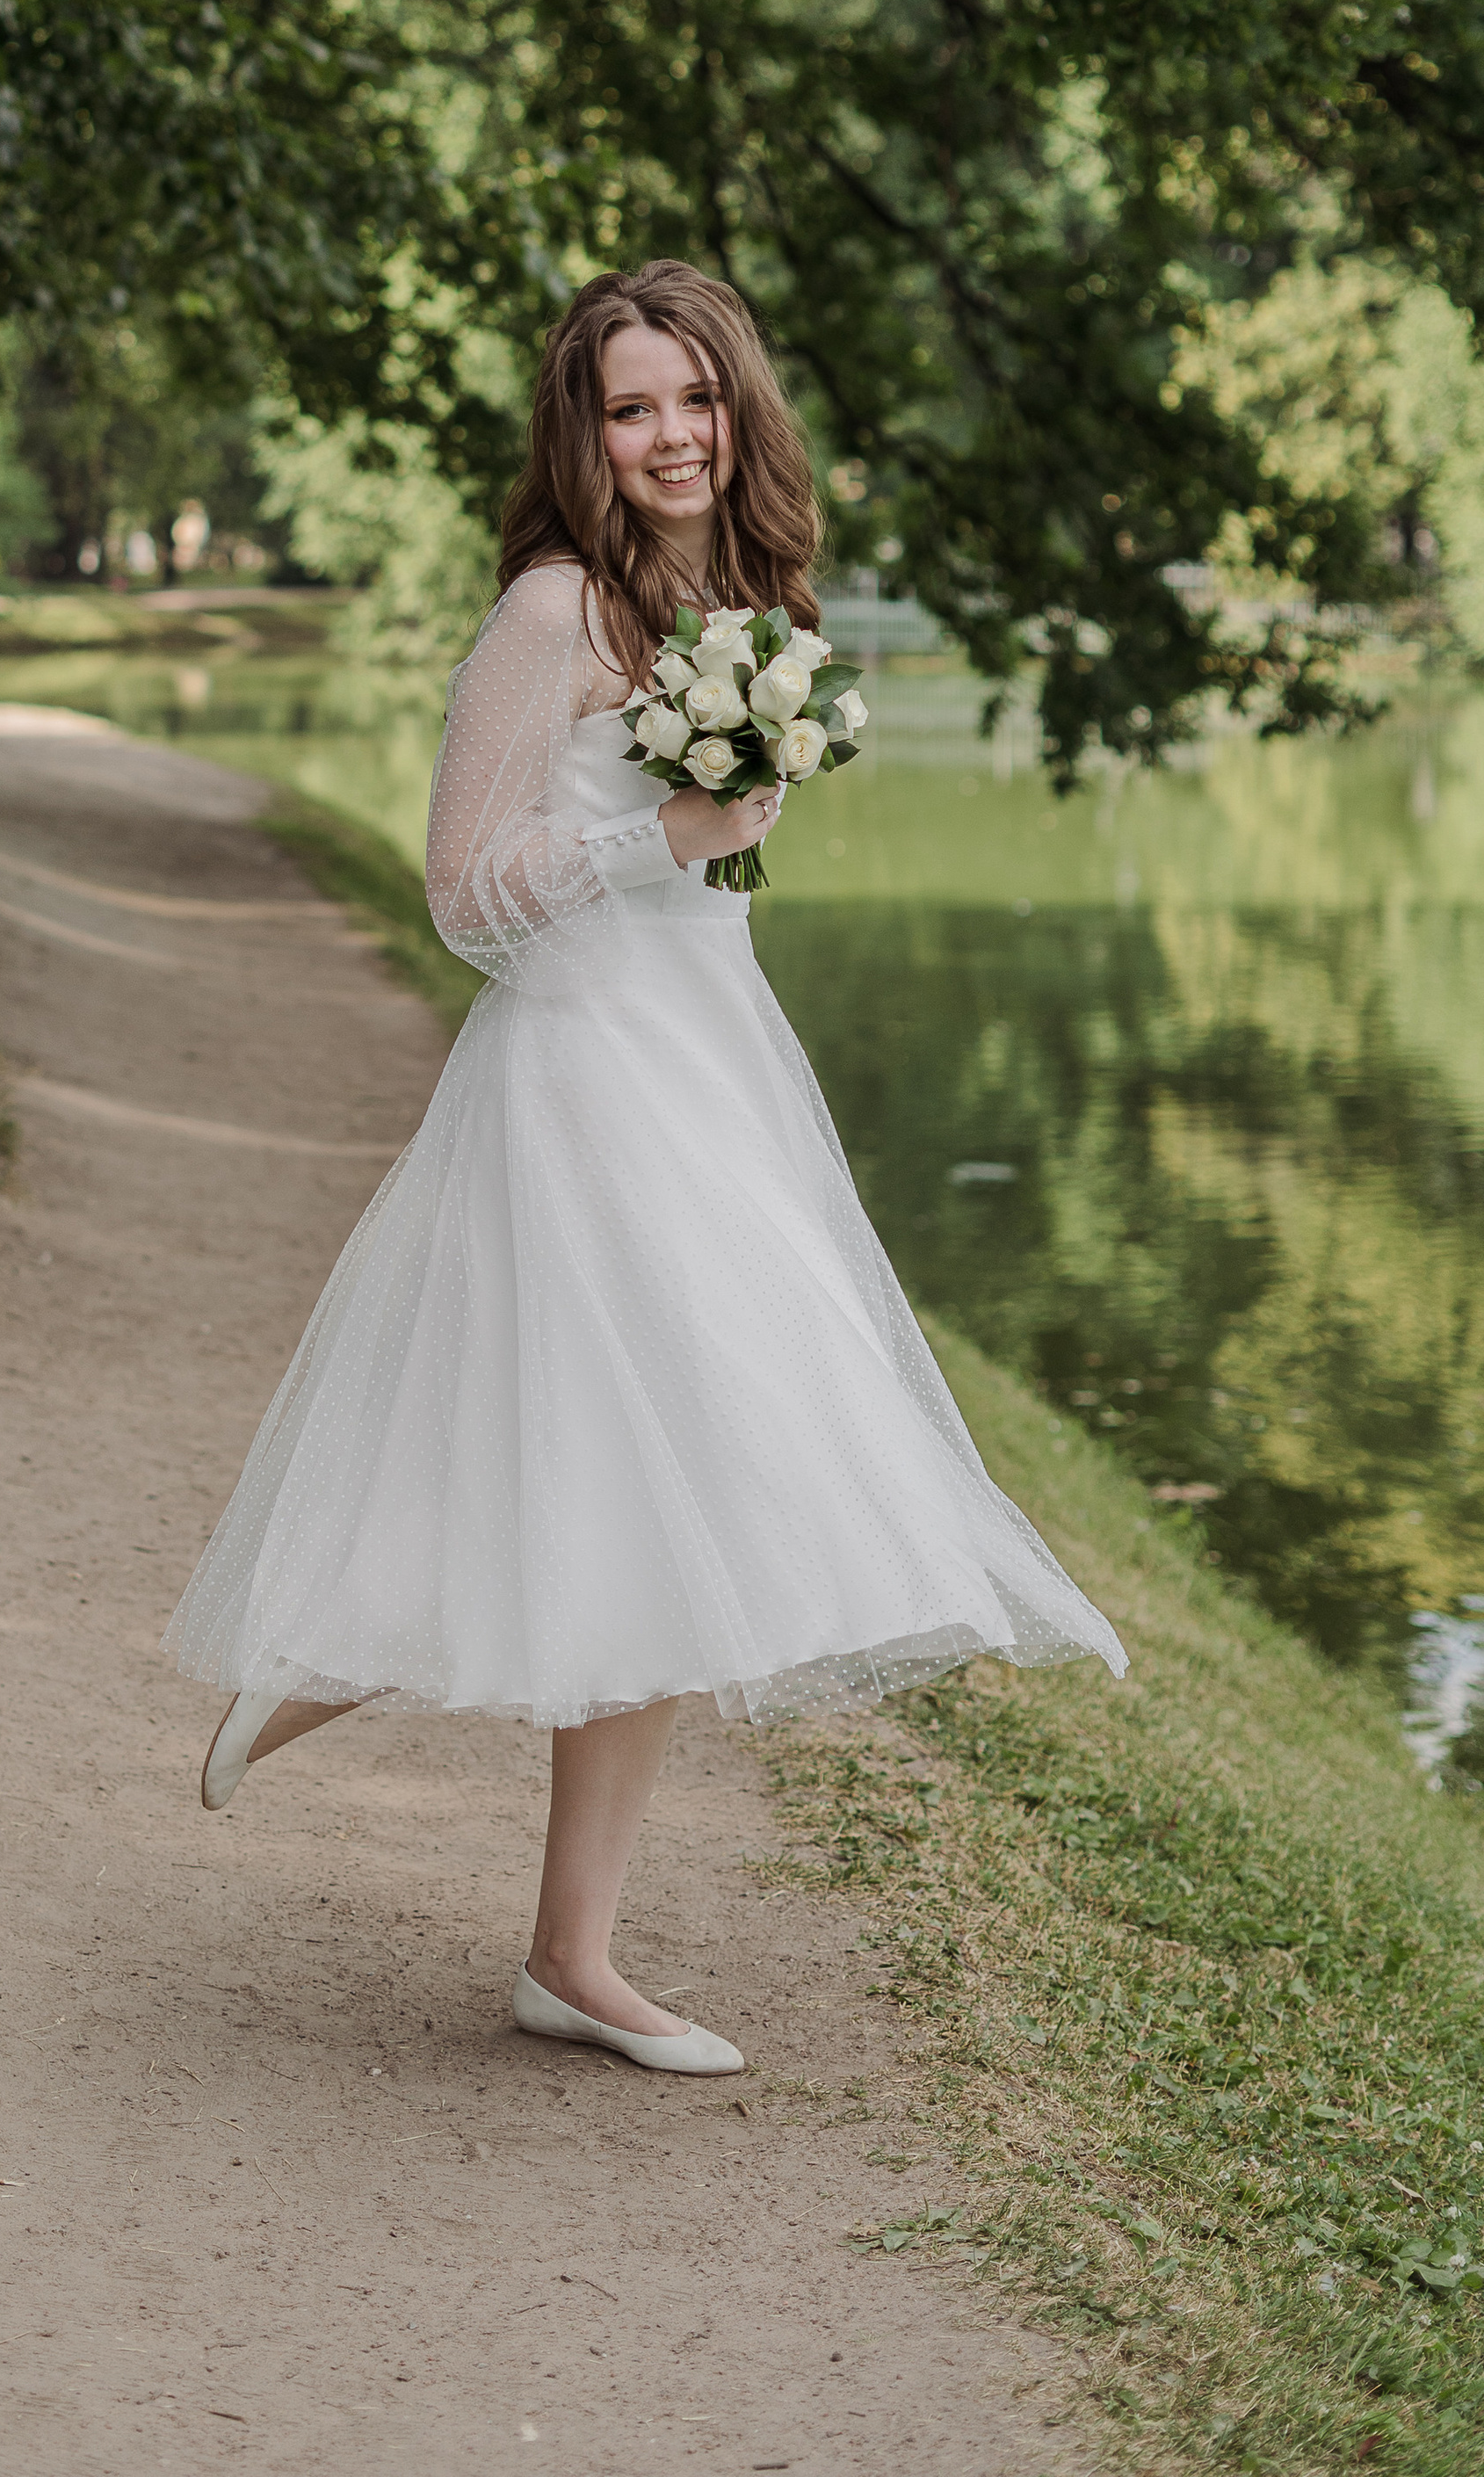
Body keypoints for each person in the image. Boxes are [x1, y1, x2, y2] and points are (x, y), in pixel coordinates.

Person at [164, 261, 1125, 2077]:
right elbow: (460, 889)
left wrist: (720, 826)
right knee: (646, 1466)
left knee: (655, 1488)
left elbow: (695, 860)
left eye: (690, 398)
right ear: (582, 433)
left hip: (709, 1057)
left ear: (733, 410)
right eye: (628, 406)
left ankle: (558, 1955)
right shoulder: (550, 613)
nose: (667, 434)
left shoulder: (731, 599)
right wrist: (661, 837)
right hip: (583, 1075)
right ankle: (340, 1699)